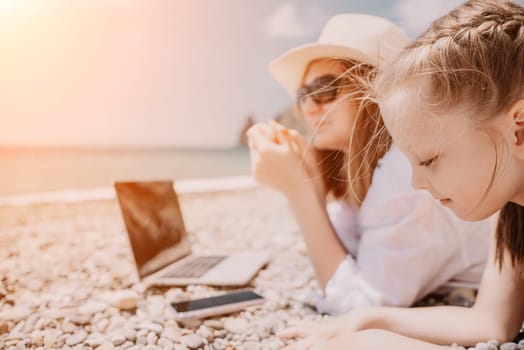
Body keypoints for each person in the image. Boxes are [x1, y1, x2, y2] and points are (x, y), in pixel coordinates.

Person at [278, 1, 524, 349]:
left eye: (429, 160)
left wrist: (372, 343)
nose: (416, 183)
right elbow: (491, 322)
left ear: (519, 130)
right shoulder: (513, 210)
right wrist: (372, 321)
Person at [247, 14, 494, 316]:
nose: (310, 107)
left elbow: (361, 304)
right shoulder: (369, 169)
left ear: (373, 90)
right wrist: (309, 180)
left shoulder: (406, 174)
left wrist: (298, 192)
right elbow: (348, 258)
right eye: (304, 95)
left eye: (324, 89)